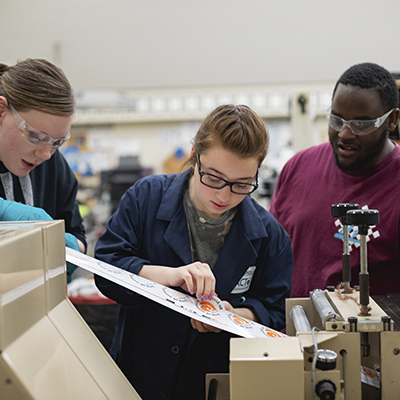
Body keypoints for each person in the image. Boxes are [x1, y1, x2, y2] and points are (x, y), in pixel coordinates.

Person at [94, 104, 293, 400]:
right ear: (195, 156)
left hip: (213, 383)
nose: (223, 196)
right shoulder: (145, 198)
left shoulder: (270, 237)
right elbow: (107, 269)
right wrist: (169, 276)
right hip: (138, 378)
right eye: (213, 177)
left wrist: (232, 315)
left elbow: (276, 312)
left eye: (241, 185)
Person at [269, 62, 400, 298]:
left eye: (361, 125)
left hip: (371, 334)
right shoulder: (298, 168)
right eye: (337, 120)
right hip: (291, 330)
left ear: (391, 121)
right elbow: (269, 256)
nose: (345, 134)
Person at [0, 58, 86, 282]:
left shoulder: (52, 164)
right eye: (35, 137)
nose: (46, 154)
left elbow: (78, 235)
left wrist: (71, 249)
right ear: (1, 111)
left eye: (58, 142)